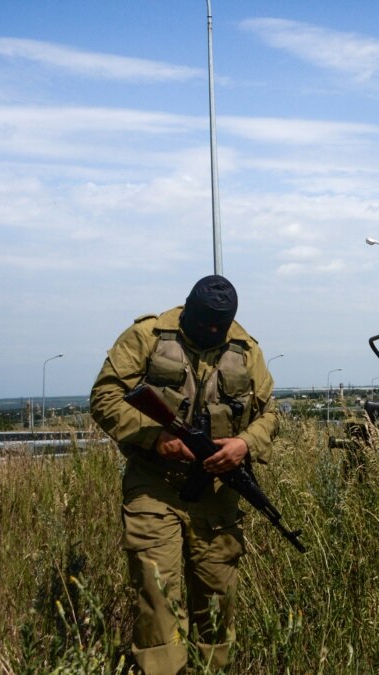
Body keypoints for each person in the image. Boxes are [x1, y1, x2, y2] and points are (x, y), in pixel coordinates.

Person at [90, 275, 278, 675]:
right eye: (204, 324)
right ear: (188, 310)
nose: (212, 332)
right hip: (155, 486)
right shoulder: (147, 336)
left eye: (219, 327)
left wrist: (244, 444)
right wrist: (157, 438)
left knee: (216, 597)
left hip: (217, 492)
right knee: (158, 594)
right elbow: (104, 397)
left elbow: (270, 415)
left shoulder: (246, 351)